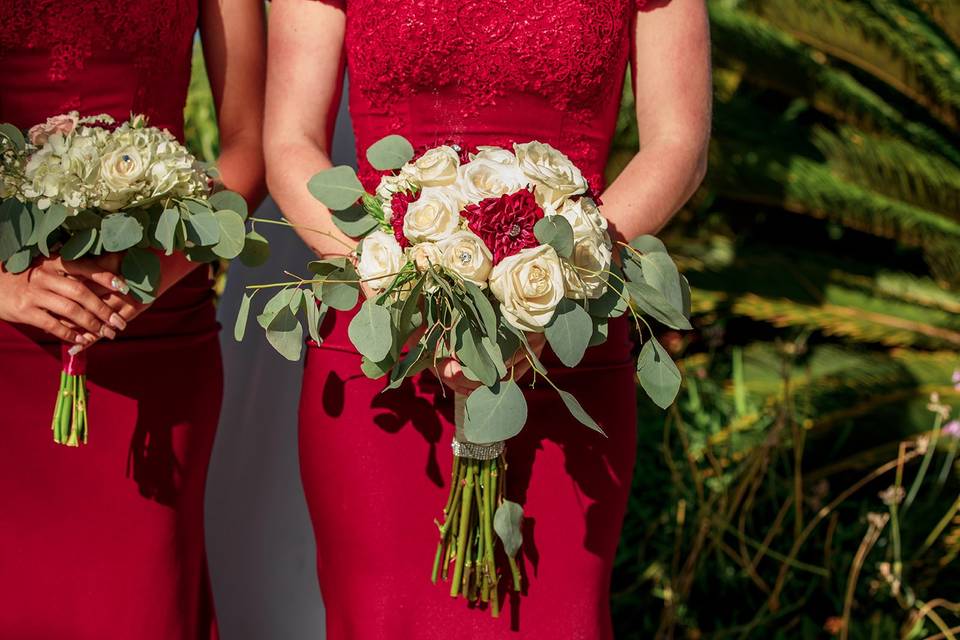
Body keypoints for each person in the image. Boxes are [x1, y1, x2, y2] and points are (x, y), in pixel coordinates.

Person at [265, 0, 711, 637]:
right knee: (382, 618)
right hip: (385, 339)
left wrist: (558, 286)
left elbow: (678, 145)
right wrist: (397, 282)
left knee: (556, 618)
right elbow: (289, 141)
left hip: (563, 339)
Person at [0, 2, 266, 637]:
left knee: (139, 603)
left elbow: (249, 148)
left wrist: (151, 273)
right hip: (5, 329)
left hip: (154, 324)